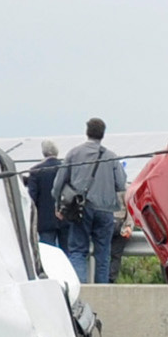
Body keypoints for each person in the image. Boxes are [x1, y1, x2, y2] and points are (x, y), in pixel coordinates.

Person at [60, 118, 126, 283]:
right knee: (103, 253)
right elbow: (120, 183)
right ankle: (102, 290)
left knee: (78, 251)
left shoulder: (74, 154)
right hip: (106, 210)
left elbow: (59, 183)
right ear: (103, 134)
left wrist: (58, 205)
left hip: (81, 209)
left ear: (87, 132)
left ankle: (81, 290)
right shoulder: (111, 156)